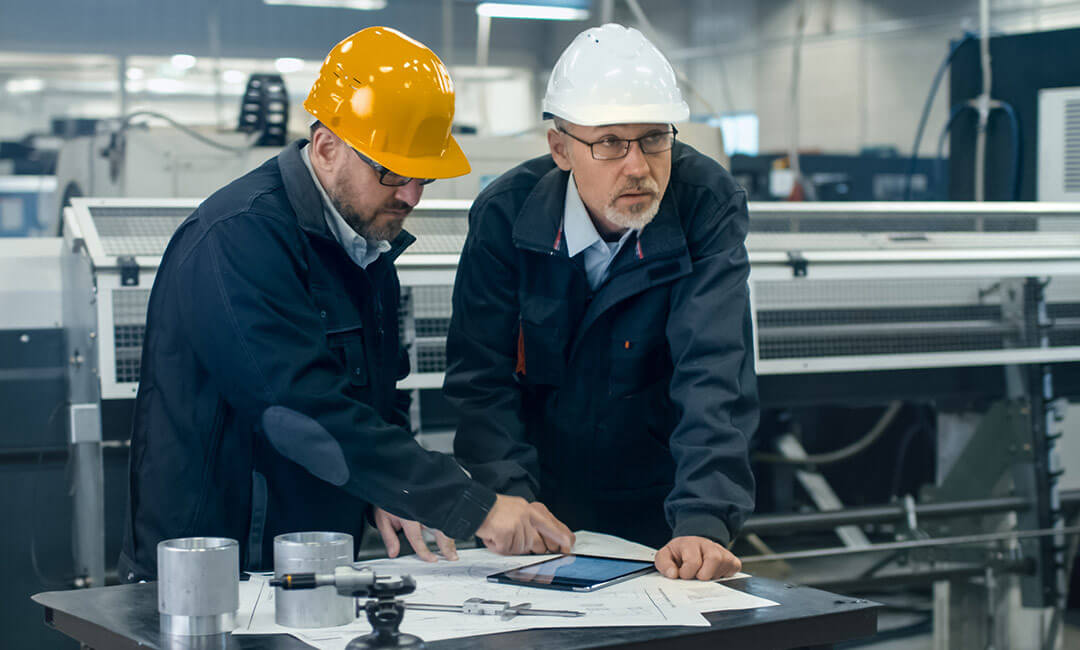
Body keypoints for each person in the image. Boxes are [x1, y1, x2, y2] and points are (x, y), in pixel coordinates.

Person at [119, 26, 573, 582]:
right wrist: (471, 504)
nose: (410, 195)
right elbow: (299, 411)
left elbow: (378, 400)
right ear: (327, 146)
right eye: (392, 172)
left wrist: (387, 492)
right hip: (218, 569)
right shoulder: (239, 238)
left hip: (313, 562)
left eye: (422, 176)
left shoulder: (363, 241)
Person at [444, 24, 757, 581]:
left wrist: (705, 520)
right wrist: (508, 495)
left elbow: (714, 373)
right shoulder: (505, 217)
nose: (637, 165)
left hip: (665, 510)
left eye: (655, 139)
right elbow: (481, 378)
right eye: (610, 142)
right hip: (540, 509)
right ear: (561, 149)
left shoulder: (705, 205)